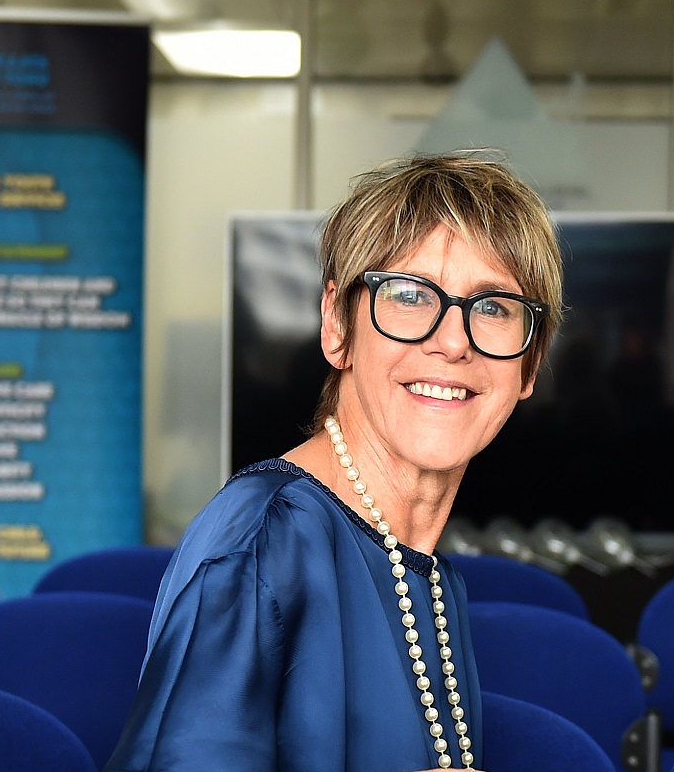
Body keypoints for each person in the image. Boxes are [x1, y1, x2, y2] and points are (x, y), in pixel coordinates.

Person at [105, 154, 563, 771]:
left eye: (495, 307)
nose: (454, 340)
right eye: (408, 295)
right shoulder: (264, 541)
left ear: (529, 364)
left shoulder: (426, 575)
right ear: (336, 325)